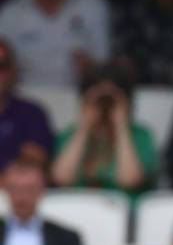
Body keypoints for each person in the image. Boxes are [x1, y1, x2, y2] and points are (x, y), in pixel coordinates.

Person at [52, 64, 157, 203]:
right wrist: (85, 126)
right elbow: (61, 178)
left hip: (124, 219)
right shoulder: (70, 135)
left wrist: (120, 124)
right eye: (99, 100)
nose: (105, 105)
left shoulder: (141, 136)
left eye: (110, 100)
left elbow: (129, 180)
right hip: (74, 215)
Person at [0, 38, 54, 171]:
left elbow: (34, 162)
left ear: (12, 71)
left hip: (14, 190)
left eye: (1, 66)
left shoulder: (31, 113)